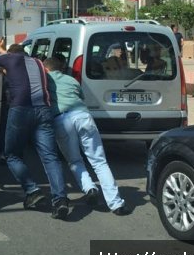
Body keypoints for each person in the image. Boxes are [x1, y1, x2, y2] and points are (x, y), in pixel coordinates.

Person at [0, 35, 70, 219]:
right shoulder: (37, 62)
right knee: (50, 157)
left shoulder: (10, 59)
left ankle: (32, 190)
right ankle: (60, 200)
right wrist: (4, 49)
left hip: (21, 109)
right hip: (43, 110)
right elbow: (12, 57)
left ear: (9, 56)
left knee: (11, 154)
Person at [44, 57, 132, 216]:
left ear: (46, 69)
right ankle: (116, 204)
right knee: (99, 161)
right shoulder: (71, 80)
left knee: (75, 161)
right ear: (61, 68)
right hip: (83, 116)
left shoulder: (45, 80)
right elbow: (81, 96)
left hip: (62, 120)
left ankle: (90, 188)